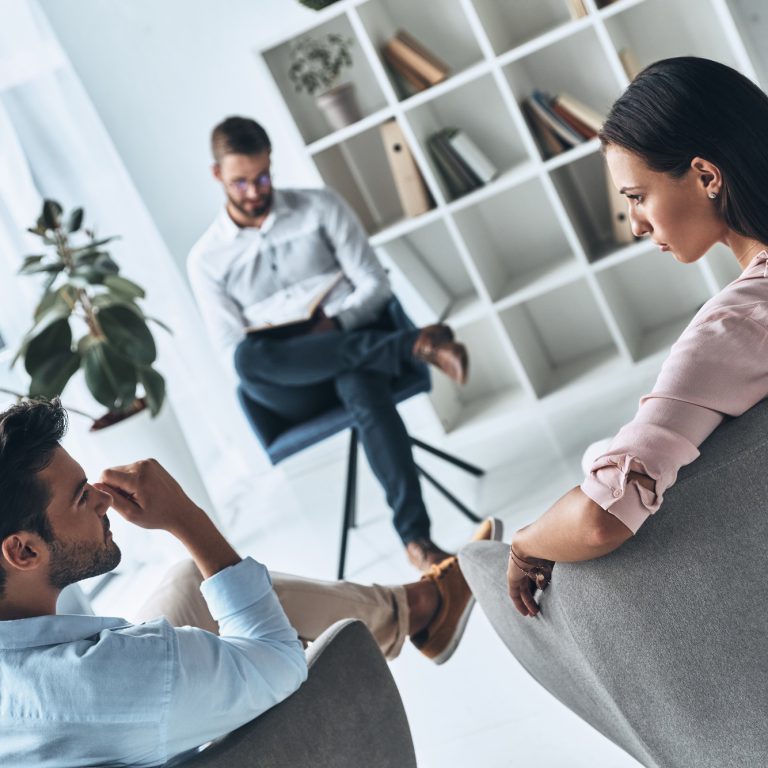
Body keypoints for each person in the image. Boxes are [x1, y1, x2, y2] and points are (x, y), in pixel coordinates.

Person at [0, 399, 499, 767]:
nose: (103, 502)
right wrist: (184, 516)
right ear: (23, 550)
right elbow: (278, 661)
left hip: (101, 709)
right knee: (257, 628)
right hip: (131, 707)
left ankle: (417, 608)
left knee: (188, 581)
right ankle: (424, 608)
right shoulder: (112, 676)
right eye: (81, 497)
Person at [505, 56, 768, 615]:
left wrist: (525, 541)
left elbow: (604, 517)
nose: (636, 225)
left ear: (706, 175)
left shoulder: (736, 324)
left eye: (636, 196)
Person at [188, 116, 470, 571]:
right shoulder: (206, 260)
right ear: (217, 175)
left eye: (262, 177)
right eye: (240, 182)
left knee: (358, 379)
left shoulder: (320, 208)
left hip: (348, 347)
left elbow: (374, 286)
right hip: (288, 387)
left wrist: (334, 325)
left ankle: (418, 543)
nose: (254, 191)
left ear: (271, 165)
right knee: (248, 358)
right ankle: (411, 344)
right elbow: (229, 351)